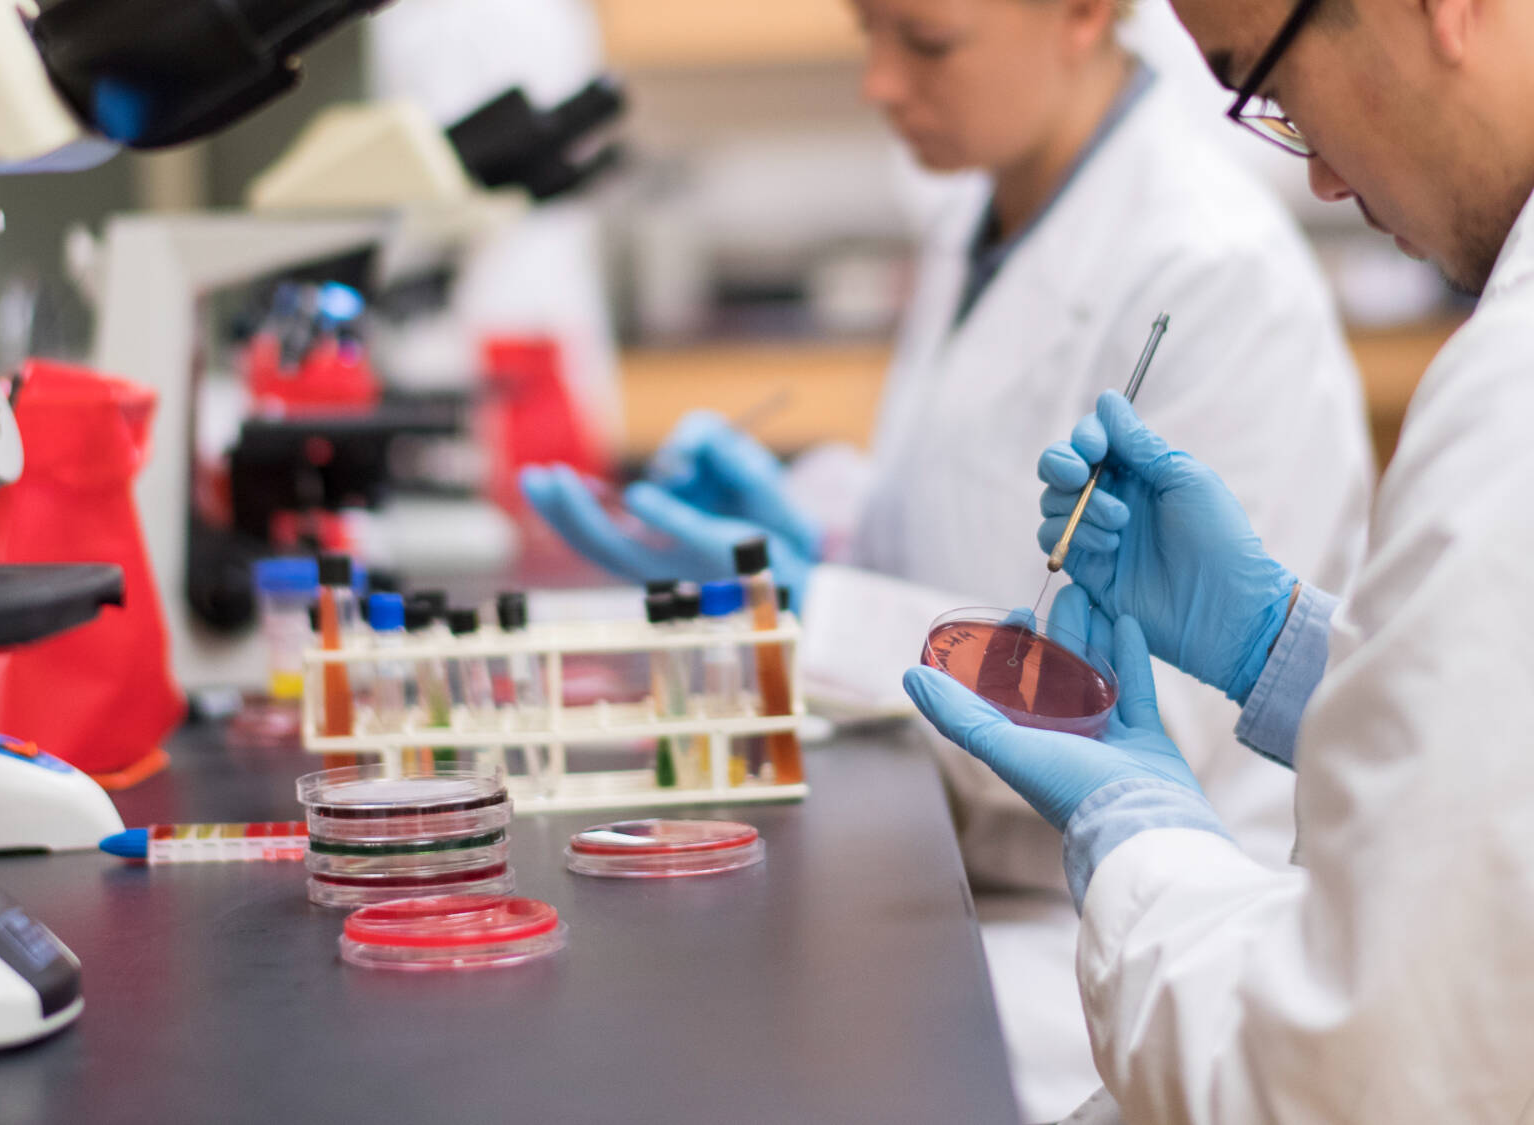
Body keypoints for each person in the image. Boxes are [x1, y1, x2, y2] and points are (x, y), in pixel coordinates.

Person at [522, 0, 1374, 1117]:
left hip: (1123, 919)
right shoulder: (986, 207)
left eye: (924, 42)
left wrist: (823, 608)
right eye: (865, 32)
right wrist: (817, 532)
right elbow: (963, 507)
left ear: (1083, 13)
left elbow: (1149, 708)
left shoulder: (1213, 272)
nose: (879, 83)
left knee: (715, 1042)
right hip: (968, 865)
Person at [904, 0, 1534, 1118]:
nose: (1319, 180)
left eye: (1273, 89)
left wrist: (1136, 836)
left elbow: (1347, 1071)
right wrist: (1283, 650)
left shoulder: (1509, 397)